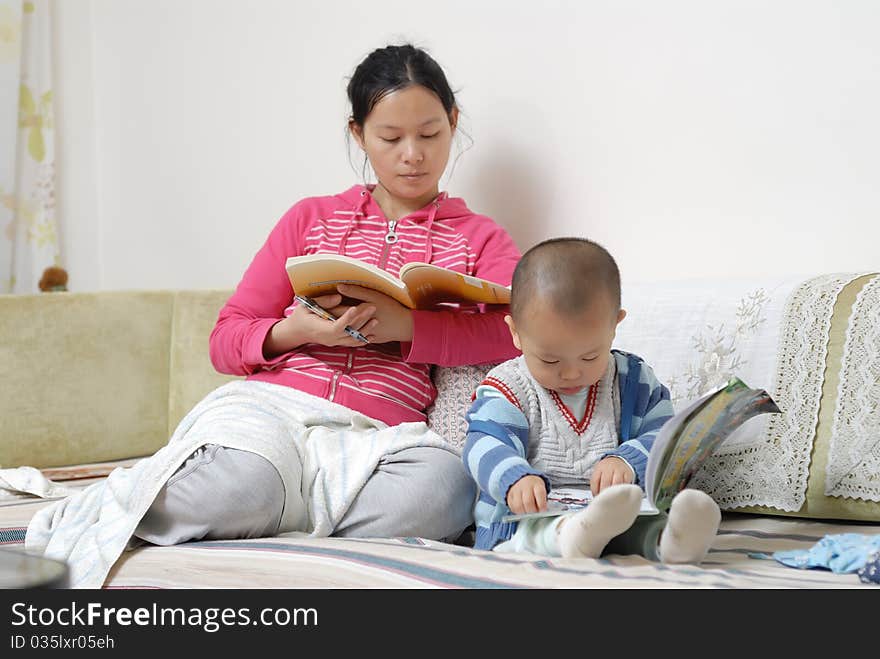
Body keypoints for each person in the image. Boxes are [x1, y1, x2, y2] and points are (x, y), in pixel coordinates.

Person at [133, 43, 521, 547]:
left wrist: (410, 328)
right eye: (390, 137)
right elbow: (225, 339)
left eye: (430, 133)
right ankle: (274, 508)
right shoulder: (309, 218)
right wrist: (293, 330)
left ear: (453, 120)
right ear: (358, 134)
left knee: (446, 489)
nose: (413, 154)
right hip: (276, 411)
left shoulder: (479, 237)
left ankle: (276, 517)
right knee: (234, 488)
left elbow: (520, 335)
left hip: (382, 437)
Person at [461, 237, 721, 563]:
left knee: (635, 524)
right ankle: (573, 536)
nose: (571, 374)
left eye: (589, 356)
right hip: (524, 521)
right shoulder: (507, 386)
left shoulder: (633, 380)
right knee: (535, 534)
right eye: (550, 360)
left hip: (616, 513)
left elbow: (664, 435)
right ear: (516, 332)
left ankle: (672, 542)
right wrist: (515, 478)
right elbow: (482, 443)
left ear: (615, 326)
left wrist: (627, 459)